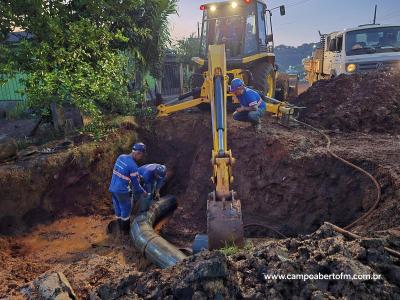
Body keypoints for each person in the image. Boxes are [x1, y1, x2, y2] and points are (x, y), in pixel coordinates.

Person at [108, 142, 148, 234]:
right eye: (141, 156)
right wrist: (143, 192)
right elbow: (136, 186)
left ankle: (119, 228)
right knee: (126, 210)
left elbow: (122, 172)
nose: (140, 158)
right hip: (122, 191)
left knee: (117, 208)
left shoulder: (121, 157)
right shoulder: (133, 166)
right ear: (138, 153)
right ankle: (125, 233)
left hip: (113, 188)